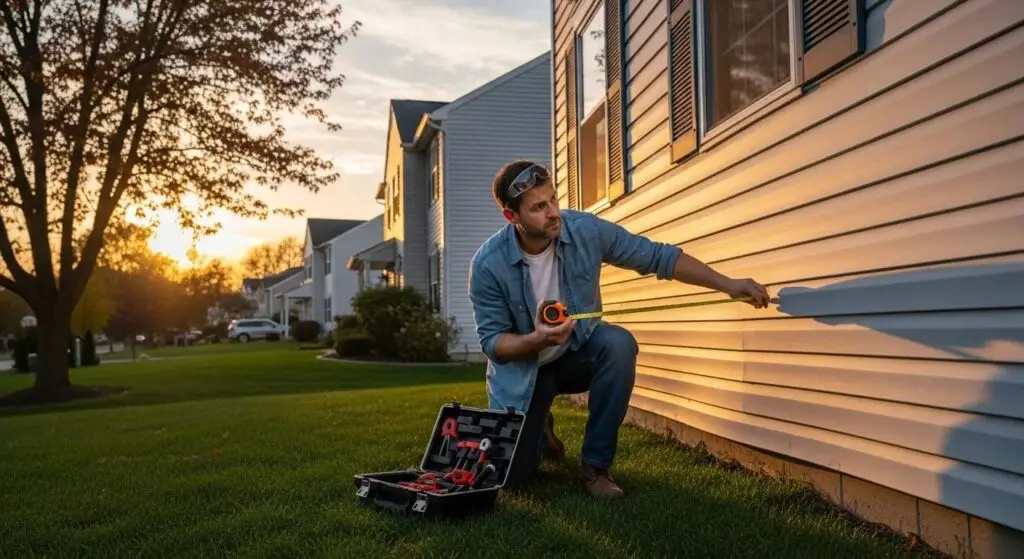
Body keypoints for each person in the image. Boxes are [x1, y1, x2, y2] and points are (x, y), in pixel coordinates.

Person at [468, 159, 770, 498]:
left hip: (577, 353)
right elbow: (493, 345)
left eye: (553, 199)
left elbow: (658, 257)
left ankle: (595, 468)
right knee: (514, 480)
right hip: (526, 374)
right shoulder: (487, 264)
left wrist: (726, 283)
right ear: (512, 217)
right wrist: (537, 339)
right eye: (539, 207)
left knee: (618, 344)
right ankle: (540, 430)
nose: (553, 212)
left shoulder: (585, 230)